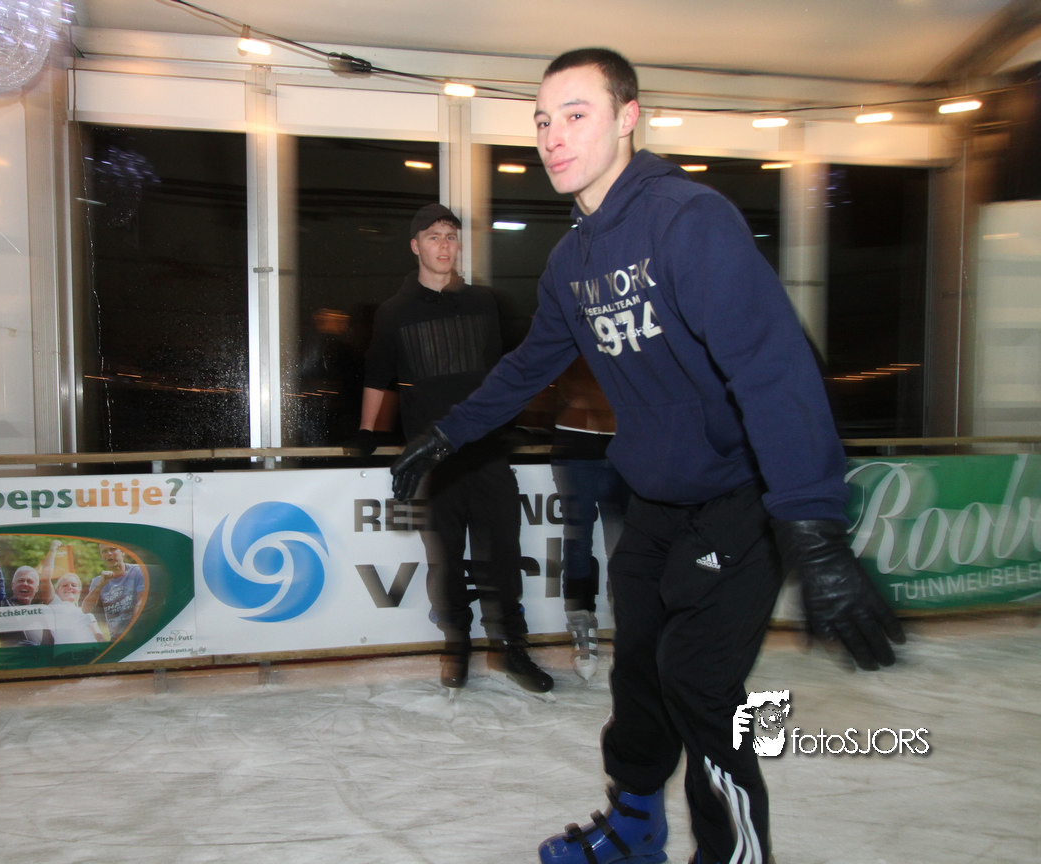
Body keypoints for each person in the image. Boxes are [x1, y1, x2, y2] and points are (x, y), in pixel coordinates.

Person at [390, 48, 904, 864]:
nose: (553, 137)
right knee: (639, 676)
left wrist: (814, 528)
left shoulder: (687, 220)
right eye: (543, 121)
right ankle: (635, 827)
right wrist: (449, 432)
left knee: (697, 682)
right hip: (656, 499)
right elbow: (528, 366)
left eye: (576, 115)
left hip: (739, 499)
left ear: (628, 117)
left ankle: (735, 855)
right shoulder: (573, 261)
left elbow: (773, 369)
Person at [361, 202, 552, 694]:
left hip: (487, 450)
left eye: (450, 236)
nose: (444, 245)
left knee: (502, 554)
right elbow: (377, 376)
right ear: (415, 246)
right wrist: (367, 431)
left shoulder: (484, 302)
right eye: (433, 236)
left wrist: (521, 419)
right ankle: (457, 645)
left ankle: (510, 647)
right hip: (433, 458)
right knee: (444, 558)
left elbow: (507, 372)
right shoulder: (394, 312)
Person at [549, 356, 630, 681]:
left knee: (624, 543)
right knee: (578, 538)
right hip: (576, 438)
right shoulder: (573, 333)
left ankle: (629, 628)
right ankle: (582, 626)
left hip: (624, 437)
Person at [82, 542, 147, 640]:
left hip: (137, 634)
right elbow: (85, 610)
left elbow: (141, 603)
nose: (109, 554)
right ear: (101, 556)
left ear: (123, 552)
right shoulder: (97, 581)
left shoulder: (138, 571)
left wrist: (132, 632)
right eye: (104, 551)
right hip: (116, 639)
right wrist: (100, 585)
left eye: (113, 549)